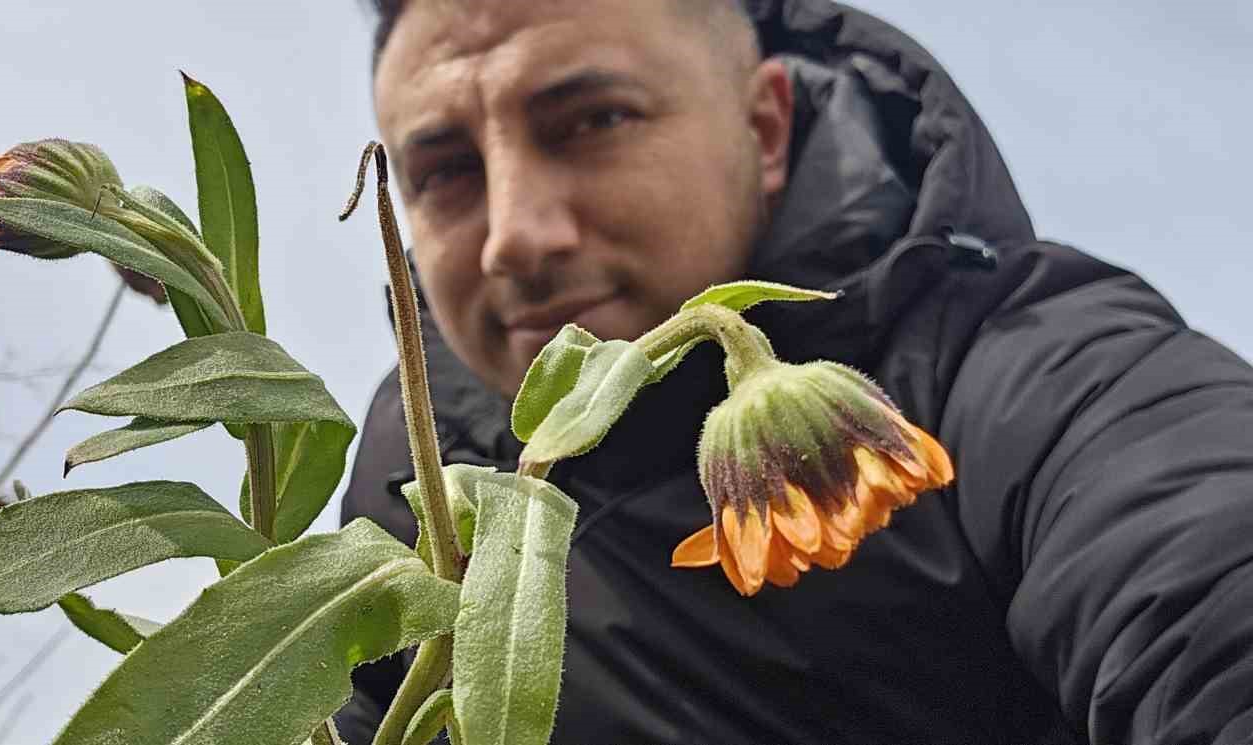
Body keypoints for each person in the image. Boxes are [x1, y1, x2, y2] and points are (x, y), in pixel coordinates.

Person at [336, 1, 1253, 743]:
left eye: (593, 121)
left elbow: (1204, 582)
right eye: (445, 170)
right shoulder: (407, 476)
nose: (516, 236)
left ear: (767, 128)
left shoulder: (1030, 367)